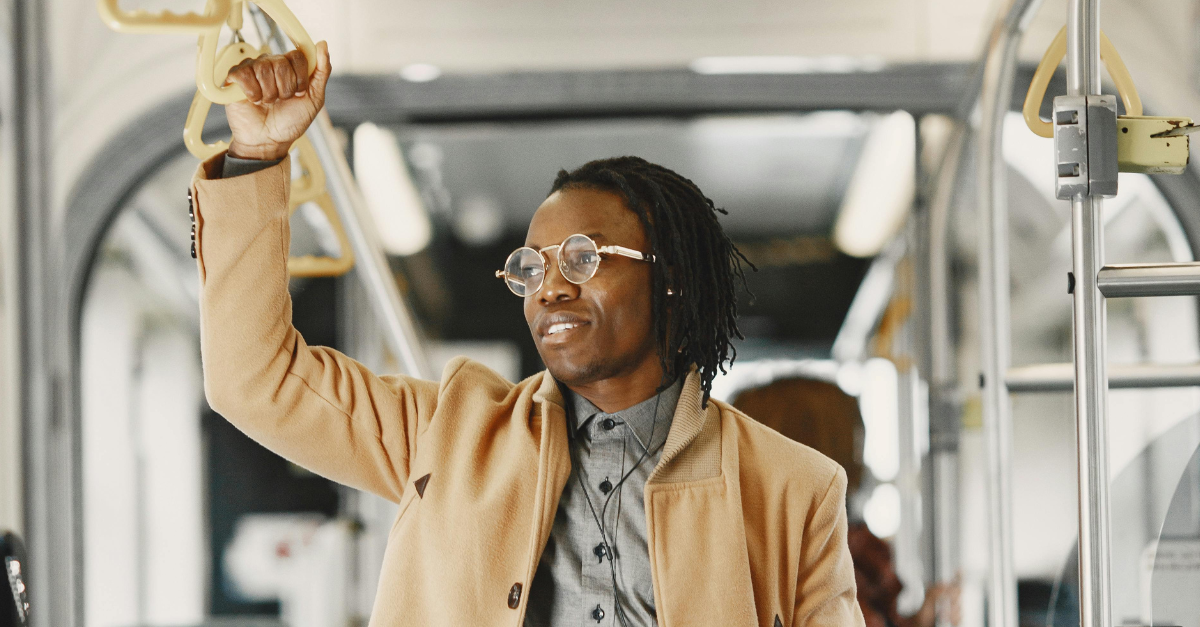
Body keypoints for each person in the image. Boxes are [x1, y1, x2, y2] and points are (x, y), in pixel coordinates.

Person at [189, 41, 866, 626]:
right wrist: (257, 156)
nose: (550, 288)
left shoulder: (794, 489)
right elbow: (256, 379)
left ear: (671, 277)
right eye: (531, 268)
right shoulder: (447, 435)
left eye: (583, 258)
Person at [732, 377, 960, 627]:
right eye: (851, 440)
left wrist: (919, 620)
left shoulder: (749, 548)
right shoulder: (827, 552)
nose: (859, 460)